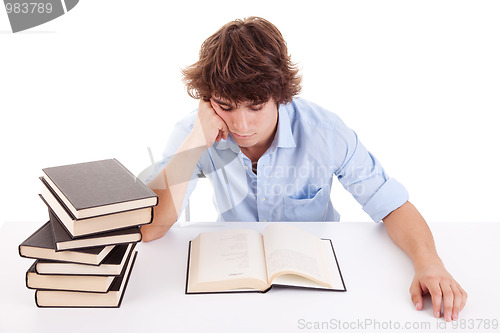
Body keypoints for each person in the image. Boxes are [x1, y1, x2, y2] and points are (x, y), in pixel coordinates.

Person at [141, 16, 467, 321]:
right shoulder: (195, 132)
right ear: (208, 100)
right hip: (234, 289)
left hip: (321, 286)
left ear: (280, 95)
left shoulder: (324, 131)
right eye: (226, 106)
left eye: (256, 107)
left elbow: (392, 204)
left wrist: (430, 263)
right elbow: (150, 228)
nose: (240, 125)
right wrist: (196, 141)